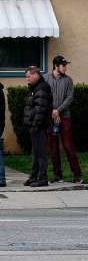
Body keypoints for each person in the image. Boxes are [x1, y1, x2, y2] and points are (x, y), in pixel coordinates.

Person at [45, 56, 81, 184]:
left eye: (65, 65)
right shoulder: (46, 79)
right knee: (53, 147)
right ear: (56, 65)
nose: (65, 67)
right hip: (51, 118)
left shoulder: (68, 80)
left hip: (64, 117)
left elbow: (69, 99)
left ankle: (77, 175)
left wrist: (58, 111)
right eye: (63, 65)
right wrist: (52, 112)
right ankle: (57, 175)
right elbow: (43, 98)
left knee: (67, 145)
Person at [22, 65, 53, 187]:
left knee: (40, 153)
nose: (27, 79)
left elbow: (40, 109)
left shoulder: (41, 88)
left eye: (29, 77)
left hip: (38, 126)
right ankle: (33, 177)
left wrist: (35, 124)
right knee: (35, 152)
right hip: (35, 125)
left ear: (36, 75)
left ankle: (43, 178)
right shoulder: (36, 88)